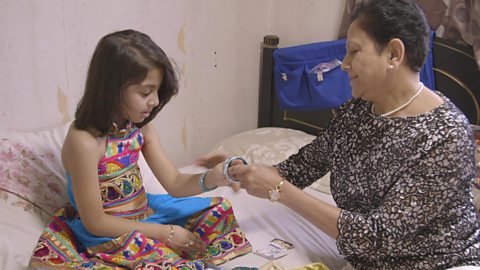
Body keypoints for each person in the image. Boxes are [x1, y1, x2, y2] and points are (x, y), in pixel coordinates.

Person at [200, 0, 480, 269]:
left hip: (440, 264)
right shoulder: (356, 112)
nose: (344, 64)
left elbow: (378, 237)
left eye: (354, 51)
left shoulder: (447, 134)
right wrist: (243, 170)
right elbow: (297, 169)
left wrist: (280, 192)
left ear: (394, 54)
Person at [30, 29, 251, 269]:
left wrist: (215, 177)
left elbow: (175, 183)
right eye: (146, 92)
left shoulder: (140, 129)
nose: (155, 101)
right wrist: (165, 233)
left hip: (147, 214)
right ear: (111, 89)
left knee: (218, 210)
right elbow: (95, 222)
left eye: (157, 91)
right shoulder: (84, 141)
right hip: (109, 233)